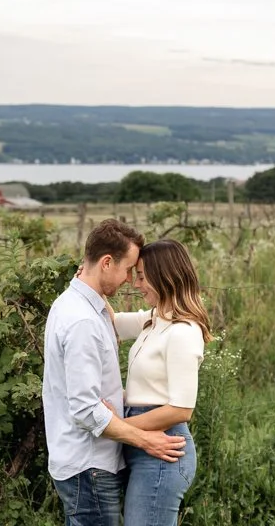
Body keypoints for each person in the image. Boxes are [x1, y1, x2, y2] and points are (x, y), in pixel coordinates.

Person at [42, 219, 187, 526]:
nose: (130, 281)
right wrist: (144, 440)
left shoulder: (76, 305)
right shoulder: (82, 322)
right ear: (106, 263)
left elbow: (126, 321)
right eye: (128, 270)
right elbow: (85, 410)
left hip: (88, 463)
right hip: (89, 464)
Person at [109, 239, 213, 526]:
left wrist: (117, 428)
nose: (136, 284)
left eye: (142, 277)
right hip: (142, 442)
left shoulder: (183, 332)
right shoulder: (154, 318)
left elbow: (181, 409)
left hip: (163, 448)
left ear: (164, 276)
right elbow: (110, 321)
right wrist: (91, 277)